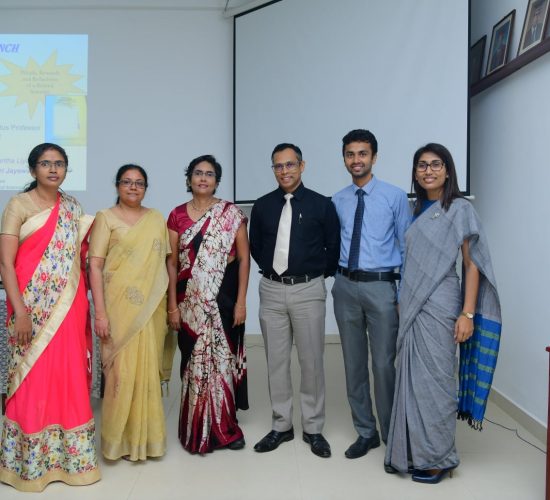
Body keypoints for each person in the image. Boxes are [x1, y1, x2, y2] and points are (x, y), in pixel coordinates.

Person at [384, 143, 501, 483]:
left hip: (441, 302)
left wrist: (467, 314)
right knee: (412, 380)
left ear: (448, 171)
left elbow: (471, 264)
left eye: (436, 164)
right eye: (422, 165)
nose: (428, 171)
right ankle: (411, 451)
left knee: (436, 382)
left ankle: (439, 458)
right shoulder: (415, 209)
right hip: (411, 303)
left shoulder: (459, 209)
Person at [0, 143, 100, 491]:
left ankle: (73, 462)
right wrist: (21, 312)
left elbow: (82, 261)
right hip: (29, 309)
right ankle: (27, 465)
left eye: (59, 164)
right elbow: (6, 264)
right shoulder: (19, 205)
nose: (53, 169)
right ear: (33, 170)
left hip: (70, 309)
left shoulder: (72, 207)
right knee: (32, 380)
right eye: (45, 164)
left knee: (68, 377)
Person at [250, 143, 340, 458]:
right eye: (278, 166)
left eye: (290, 164)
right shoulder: (262, 205)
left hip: (308, 289)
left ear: (302, 166)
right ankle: (281, 425)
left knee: (311, 361)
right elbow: (256, 246)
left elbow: (333, 247)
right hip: (271, 289)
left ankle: (313, 428)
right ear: (273, 169)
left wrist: (312, 273)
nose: (284, 171)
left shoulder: (321, 205)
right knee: (276, 361)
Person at [331, 129, 410, 459]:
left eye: (362, 153)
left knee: (382, 365)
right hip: (345, 286)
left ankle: (393, 437)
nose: (356, 160)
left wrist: (403, 294)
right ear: (344, 159)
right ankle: (366, 431)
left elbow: (407, 247)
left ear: (374, 157)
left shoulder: (395, 197)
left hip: (381, 287)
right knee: (354, 364)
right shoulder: (338, 200)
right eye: (350, 154)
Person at [88, 164, 174, 461]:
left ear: (146, 188)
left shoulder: (156, 218)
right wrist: (100, 313)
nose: (133, 187)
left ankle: (147, 441)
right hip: (117, 309)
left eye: (139, 183)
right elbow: (95, 266)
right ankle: (117, 442)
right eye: (127, 182)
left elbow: (164, 265)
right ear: (117, 186)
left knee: (146, 373)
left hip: (150, 309)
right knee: (119, 376)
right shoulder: (105, 218)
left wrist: (171, 306)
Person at [167, 154, 250, 454]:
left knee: (223, 362)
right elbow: (171, 263)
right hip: (188, 301)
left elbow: (244, 259)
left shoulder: (231, 213)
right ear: (189, 178)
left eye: (210, 174)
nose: (203, 178)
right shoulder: (176, 215)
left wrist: (241, 302)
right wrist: (172, 307)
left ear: (217, 180)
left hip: (223, 299)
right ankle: (194, 427)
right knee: (192, 364)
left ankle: (226, 427)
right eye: (198, 173)